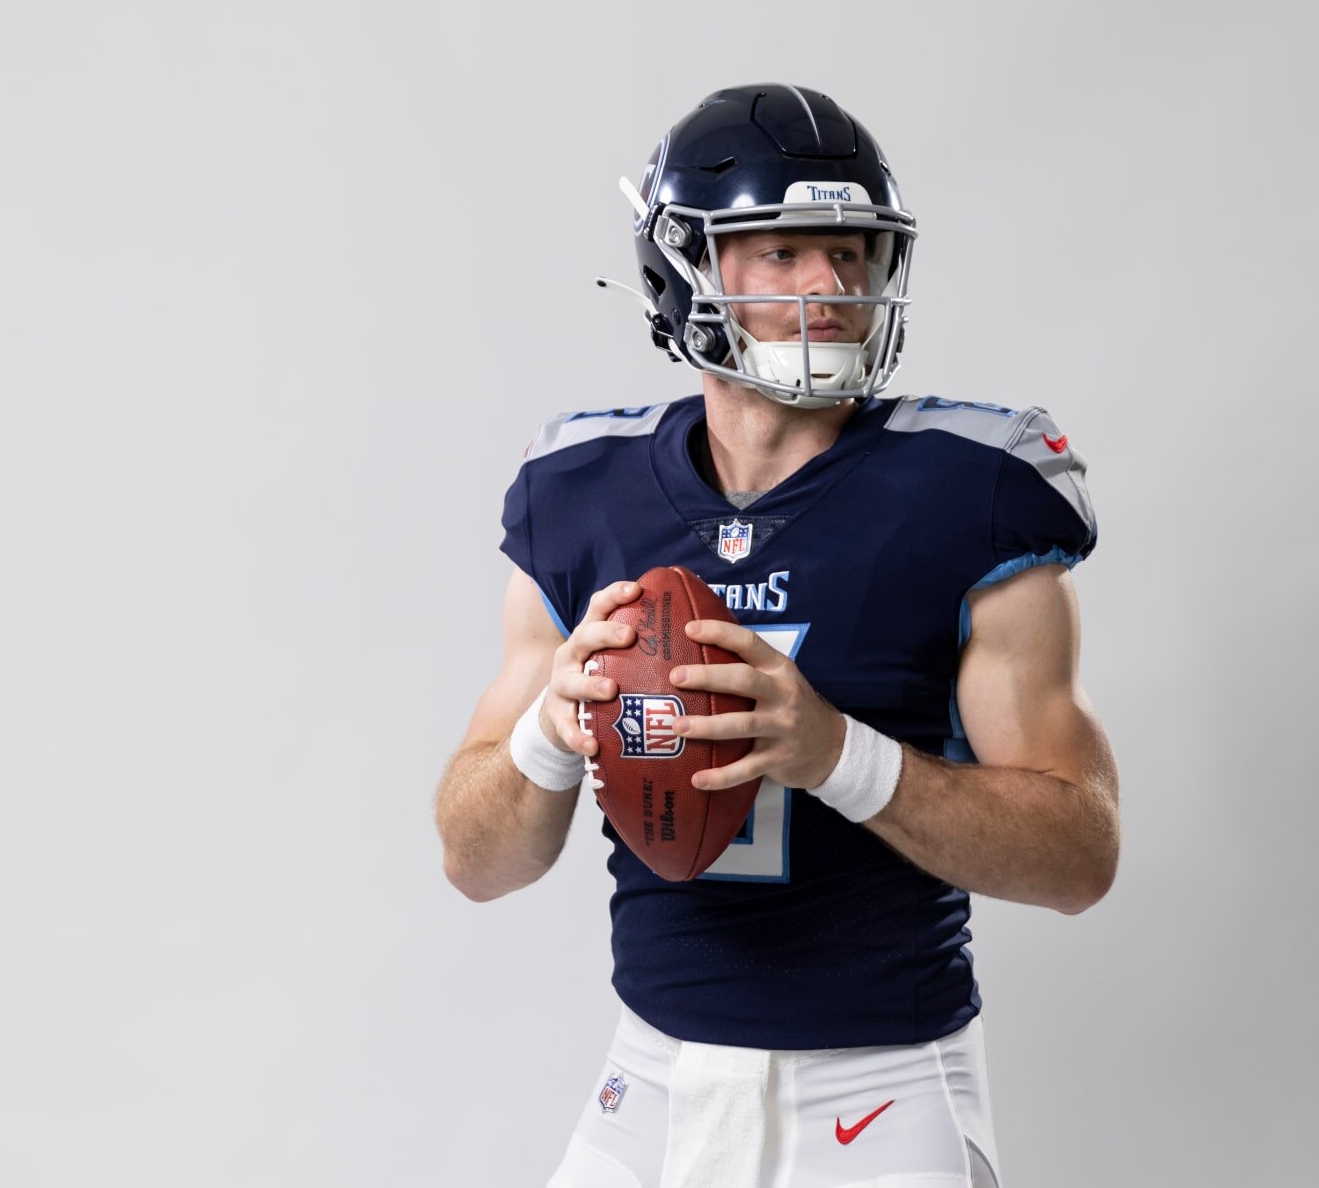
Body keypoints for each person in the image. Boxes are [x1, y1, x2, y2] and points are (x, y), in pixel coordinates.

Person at [434, 84, 1119, 1188]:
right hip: (651, 1080)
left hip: (883, 1088)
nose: (832, 287)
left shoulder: (971, 490)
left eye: (850, 250)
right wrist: (545, 742)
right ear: (687, 269)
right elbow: (474, 861)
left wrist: (842, 756)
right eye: (785, 250)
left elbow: (1081, 856)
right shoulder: (580, 493)